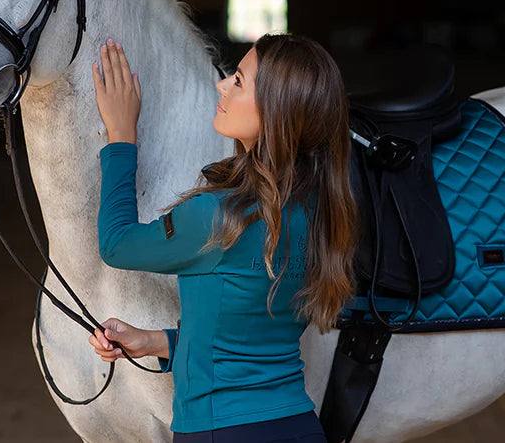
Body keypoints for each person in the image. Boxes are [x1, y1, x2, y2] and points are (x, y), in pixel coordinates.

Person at [87, 33, 358, 442]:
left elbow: (117, 242)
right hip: (299, 426)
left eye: (239, 80)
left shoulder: (218, 215)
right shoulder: (320, 213)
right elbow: (246, 343)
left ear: (275, 111)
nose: (222, 84)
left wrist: (121, 135)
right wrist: (151, 342)